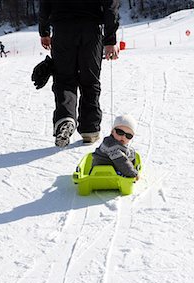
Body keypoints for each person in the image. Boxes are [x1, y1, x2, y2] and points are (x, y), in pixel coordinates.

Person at [37, 0, 120, 147]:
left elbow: (44, 3)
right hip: (91, 30)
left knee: (64, 80)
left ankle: (65, 117)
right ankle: (90, 130)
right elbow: (110, 6)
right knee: (90, 81)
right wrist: (110, 40)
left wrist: (44, 31)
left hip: (62, 29)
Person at [92, 115, 139, 179]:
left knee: (131, 153)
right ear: (112, 131)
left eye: (128, 136)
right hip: (101, 174)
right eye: (120, 132)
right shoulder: (110, 145)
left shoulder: (118, 144)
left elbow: (127, 153)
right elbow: (122, 162)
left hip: (112, 171)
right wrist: (133, 173)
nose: (123, 137)